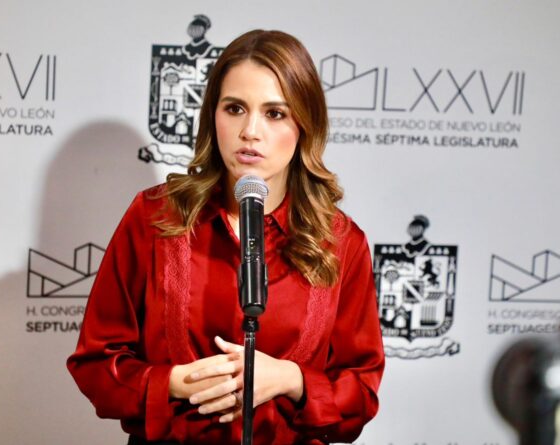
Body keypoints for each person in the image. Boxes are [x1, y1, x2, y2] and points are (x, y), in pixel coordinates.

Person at [67, 29, 385, 445]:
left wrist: (290, 379)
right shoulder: (155, 217)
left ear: (305, 124)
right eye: (235, 108)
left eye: (275, 114)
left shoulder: (340, 242)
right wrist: (175, 383)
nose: (250, 131)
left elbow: (360, 395)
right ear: (212, 115)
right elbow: (96, 365)